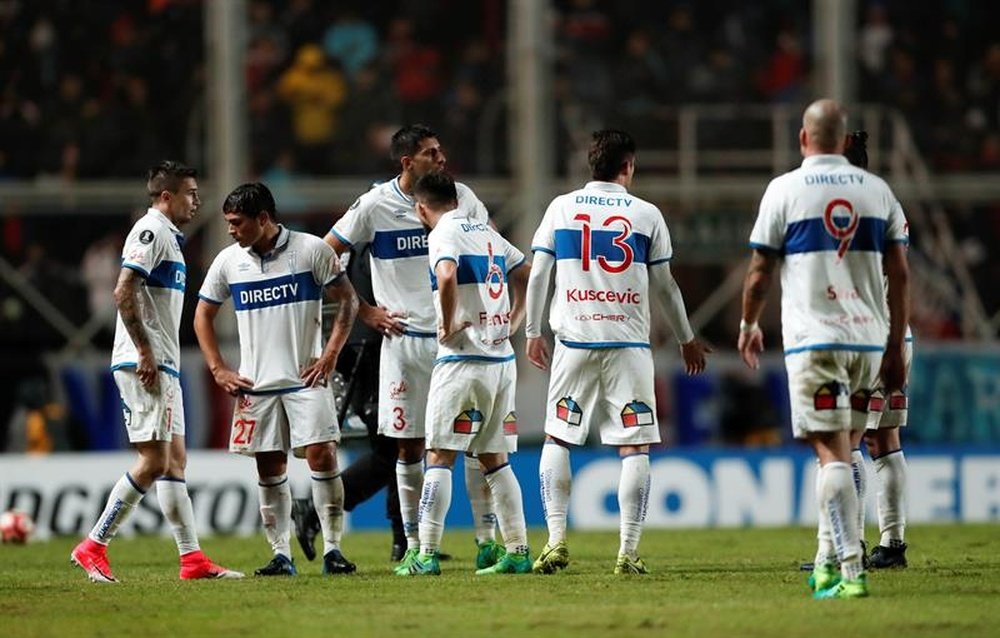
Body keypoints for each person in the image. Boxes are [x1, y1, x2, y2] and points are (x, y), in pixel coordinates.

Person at [738, 100, 909, 600]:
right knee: (852, 446)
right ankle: (825, 562)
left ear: (803, 138)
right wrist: (896, 343)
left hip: (817, 341)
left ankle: (849, 571)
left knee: (830, 452)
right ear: (842, 140)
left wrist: (749, 322)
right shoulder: (878, 191)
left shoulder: (784, 190)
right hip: (870, 342)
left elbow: (759, 271)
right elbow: (899, 273)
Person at [526, 129, 710, 575]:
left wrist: (532, 331)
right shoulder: (647, 215)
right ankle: (627, 552)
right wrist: (687, 337)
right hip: (628, 346)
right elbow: (665, 286)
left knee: (558, 438)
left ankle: (555, 541)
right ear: (628, 165)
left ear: (592, 164)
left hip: (574, 342)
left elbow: (538, 276)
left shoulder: (562, 207)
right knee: (635, 447)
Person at [324, 124, 505, 572]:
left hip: (456, 342)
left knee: (472, 443)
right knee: (407, 448)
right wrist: (364, 311)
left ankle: (487, 541)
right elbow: (324, 256)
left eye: (440, 150)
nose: (441, 158)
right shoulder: (374, 205)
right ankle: (410, 544)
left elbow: (493, 252)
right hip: (403, 344)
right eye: (431, 152)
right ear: (407, 163)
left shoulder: (462, 198)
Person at [71, 161, 243, 583]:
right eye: (190, 193)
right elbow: (122, 289)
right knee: (154, 459)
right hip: (144, 363)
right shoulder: (150, 232)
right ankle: (93, 544)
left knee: (175, 461)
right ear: (166, 196)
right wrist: (145, 351)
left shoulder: (171, 238)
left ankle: (192, 560)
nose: (197, 201)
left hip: (163, 363)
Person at [193, 182, 359, 577]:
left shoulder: (310, 250)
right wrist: (218, 369)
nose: (231, 230)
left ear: (263, 219)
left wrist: (330, 355)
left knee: (324, 455)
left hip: (307, 378)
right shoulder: (228, 262)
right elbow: (202, 315)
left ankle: (333, 550)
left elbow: (348, 300)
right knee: (269, 467)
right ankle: (280, 553)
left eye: (237, 223)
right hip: (256, 384)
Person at [398, 172, 532, 575]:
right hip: (500, 361)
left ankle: (425, 555)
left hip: (462, 362)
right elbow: (525, 271)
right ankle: (519, 552)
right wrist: (516, 319)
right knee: (496, 460)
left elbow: (446, 275)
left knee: (438, 456)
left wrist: (449, 319)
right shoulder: (487, 231)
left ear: (422, 207)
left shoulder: (442, 233)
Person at [290, 240, 408, 562]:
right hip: (372, 350)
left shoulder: (354, 247)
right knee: (398, 446)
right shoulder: (373, 243)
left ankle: (405, 538)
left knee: (394, 448)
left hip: (364, 347)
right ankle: (405, 539)